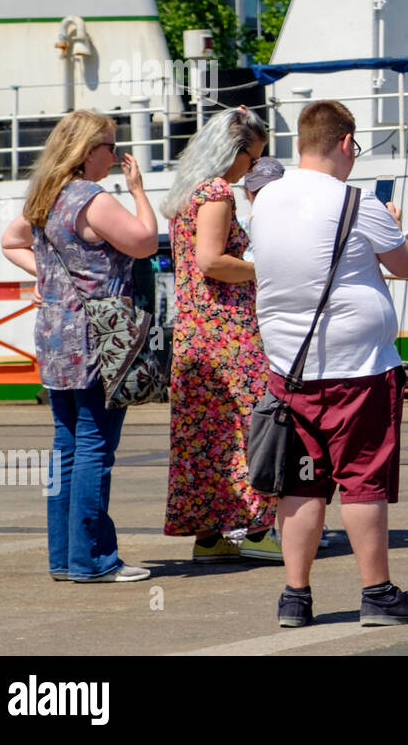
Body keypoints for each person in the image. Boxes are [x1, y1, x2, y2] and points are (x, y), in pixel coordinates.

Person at [251, 100, 408, 627]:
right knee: (362, 479)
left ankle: (295, 597)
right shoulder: (357, 201)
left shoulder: (264, 200)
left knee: (301, 482)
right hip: (359, 370)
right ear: (345, 143)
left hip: (288, 369)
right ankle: (376, 594)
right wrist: (395, 228)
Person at [0, 110, 157, 582]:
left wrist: (45, 278)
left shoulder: (46, 195)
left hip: (53, 334)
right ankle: (93, 559)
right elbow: (145, 242)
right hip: (96, 337)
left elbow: (10, 241)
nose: (115, 155)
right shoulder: (93, 198)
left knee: (66, 445)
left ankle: (65, 558)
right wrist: (138, 192)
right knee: (94, 446)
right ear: (88, 151)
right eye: (110, 146)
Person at [160, 106, 281, 562]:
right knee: (253, 426)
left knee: (207, 434)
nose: (251, 169)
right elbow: (212, 261)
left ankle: (208, 536)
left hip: (195, 330)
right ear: (235, 151)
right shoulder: (215, 192)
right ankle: (257, 530)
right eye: (252, 159)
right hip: (227, 330)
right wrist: (264, 269)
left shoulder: (186, 193)